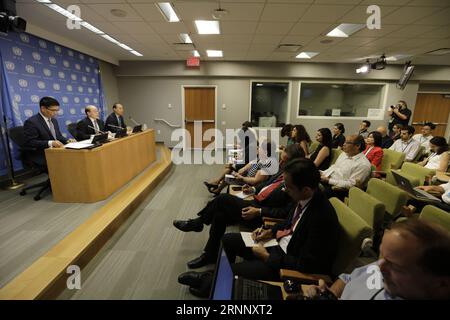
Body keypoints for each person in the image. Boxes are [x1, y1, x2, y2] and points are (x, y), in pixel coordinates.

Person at [174, 144, 305, 269]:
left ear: (295, 163)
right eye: (281, 160)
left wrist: (259, 211)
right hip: (255, 202)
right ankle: (209, 254)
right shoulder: (282, 171)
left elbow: (284, 213)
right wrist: (253, 189)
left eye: (285, 161)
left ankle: (198, 223)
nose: (281, 164)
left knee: (222, 200)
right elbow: (267, 185)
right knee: (220, 215)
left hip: (261, 215)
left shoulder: (295, 185)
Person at [220, 158, 339, 281]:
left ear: (306, 190)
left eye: (288, 187)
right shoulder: (305, 196)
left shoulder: (321, 218)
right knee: (227, 240)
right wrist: (270, 231)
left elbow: (307, 264)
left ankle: (211, 282)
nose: (284, 189)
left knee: (229, 272)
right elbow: (289, 222)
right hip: (278, 245)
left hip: (286, 266)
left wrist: (267, 257)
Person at [304, 219, 450, 300]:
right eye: (381, 256)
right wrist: (330, 295)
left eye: (396, 266)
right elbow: (347, 278)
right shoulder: (386, 267)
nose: (380, 267)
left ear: (441, 285)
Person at [204, 140, 274, 195]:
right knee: (228, 176)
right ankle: (217, 189)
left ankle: (218, 188)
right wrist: (243, 169)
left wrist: (242, 178)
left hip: (249, 185)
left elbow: (255, 181)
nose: (257, 148)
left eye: (259, 148)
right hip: (246, 176)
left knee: (229, 175)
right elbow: (250, 163)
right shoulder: (260, 157)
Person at [320, 135, 372, 200]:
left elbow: (351, 185)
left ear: (357, 146)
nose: (343, 144)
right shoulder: (344, 154)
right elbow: (334, 168)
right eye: (344, 142)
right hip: (328, 180)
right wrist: (322, 173)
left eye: (347, 143)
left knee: (315, 192)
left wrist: (329, 181)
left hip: (339, 190)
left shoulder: (363, 164)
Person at [23, 96, 71, 166]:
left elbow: (58, 136)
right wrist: (51, 143)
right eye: (53, 110)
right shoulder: (32, 122)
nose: (56, 113)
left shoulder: (54, 120)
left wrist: (68, 140)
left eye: (57, 110)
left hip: (56, 150)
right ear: (43, 108)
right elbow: (30, 142)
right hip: (42, 152)